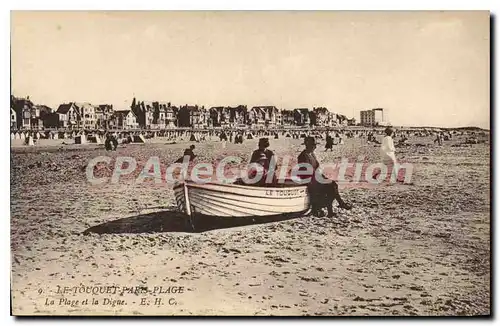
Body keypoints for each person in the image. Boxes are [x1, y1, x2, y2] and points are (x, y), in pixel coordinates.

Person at [298, 137, 352, 218]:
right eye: (313, 145)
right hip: (309, 180)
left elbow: (317, 166)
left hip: (315, 178)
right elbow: (305, 171)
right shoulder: (303, 156)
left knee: (333, 185)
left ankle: (333, 209)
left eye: (315, 145)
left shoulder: (311, 154)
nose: (315, 147)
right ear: (307, 145)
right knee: (331, 187)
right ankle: (338, 205)